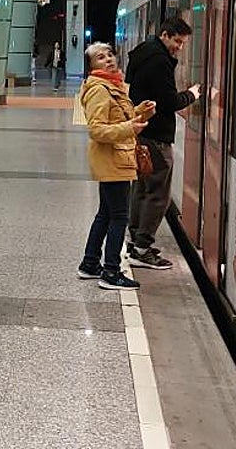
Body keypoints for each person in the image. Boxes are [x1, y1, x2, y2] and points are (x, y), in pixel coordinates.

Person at [123, 16, 200, 269]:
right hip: (157, 136)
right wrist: (192, 94)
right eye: (177, 41)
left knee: (141, 188)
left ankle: (135, 240)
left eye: (183, 43)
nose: (179, 47)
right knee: (157, 194)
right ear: (164, 35)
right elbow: (169, 102)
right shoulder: (159, 61)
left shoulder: (143, 53)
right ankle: (142, 250)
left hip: (143, 132)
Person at [77, 42, 154, 290]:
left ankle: (90, 264)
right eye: (100, 57)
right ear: (92, 66)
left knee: (106, 213)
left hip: (116, 159)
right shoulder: (100, 90)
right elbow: (97, 130)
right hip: (113, 160)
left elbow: (117, 119)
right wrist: (130, 128)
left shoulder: (113, 85)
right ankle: (111, 271)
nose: (109, 59)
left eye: (110, 54)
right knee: (119, 216)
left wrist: (140, 113)